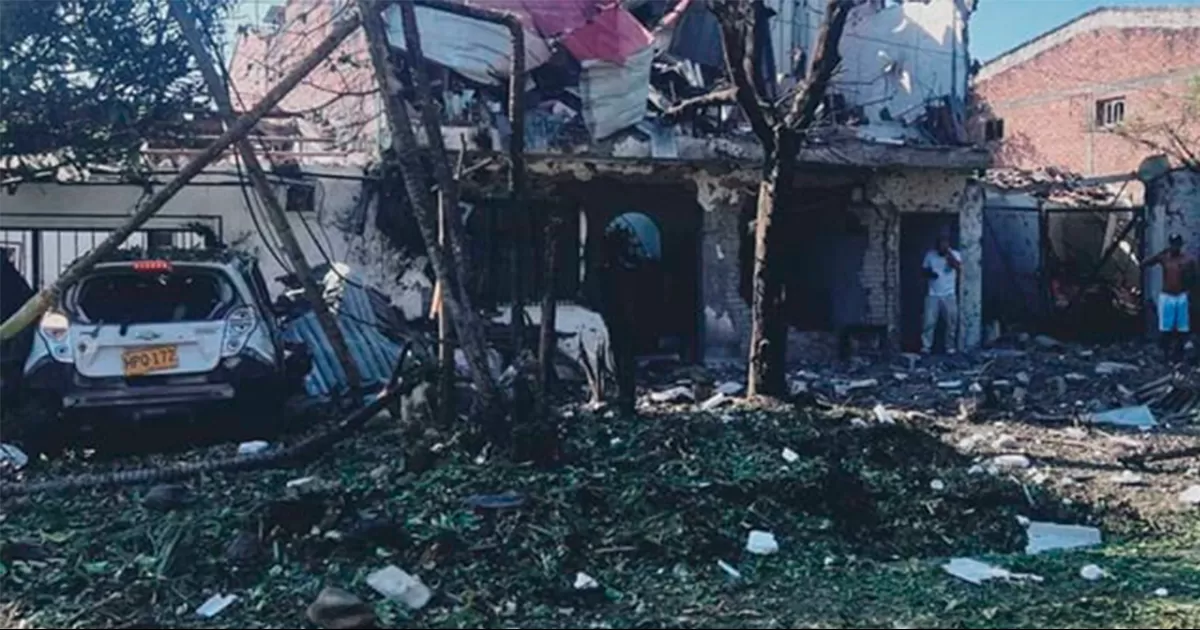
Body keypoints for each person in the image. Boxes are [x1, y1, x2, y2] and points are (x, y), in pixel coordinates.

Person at [1141, 233, 1195, 362]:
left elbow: (1193, 280)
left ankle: (1179, 355)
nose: (1175, 247)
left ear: (1180, 245)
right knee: (1166, 326)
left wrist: (1190, 296)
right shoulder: (1164, 257)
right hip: (1167, 295)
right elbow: (1145, 264)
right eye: (1173, 244)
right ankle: (1165, 354)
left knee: (1182, 327)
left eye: (1177, 244)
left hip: (1181, 295)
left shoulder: (1187, 260)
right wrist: (1160, 254)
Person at [920, 232, 961, 354]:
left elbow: (957, 267)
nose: (942, 246)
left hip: (949, 294)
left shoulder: (955, 254)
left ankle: (950, 347)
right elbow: (923, 271)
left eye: (945, 243)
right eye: (940, 243)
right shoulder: (930, 255)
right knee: (928, 322)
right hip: (933, 294)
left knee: (951, 322)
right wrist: (931, 274)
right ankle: (926, 347)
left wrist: (948, 254)